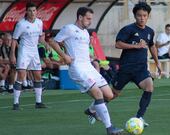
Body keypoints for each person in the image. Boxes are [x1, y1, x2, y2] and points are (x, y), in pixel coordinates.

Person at [48, 7, 123, 135]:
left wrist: (90, 56)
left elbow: (81, 48)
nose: (90, 21)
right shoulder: (69, 28)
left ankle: (91, 110)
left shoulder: (86, 33)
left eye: (91, 19)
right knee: (98, 95)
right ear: (80, 17)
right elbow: (54, 42)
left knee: (110, 95)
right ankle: (109, 128)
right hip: (77, 68)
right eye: (88, 18)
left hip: (88, 67)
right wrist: (64, 55)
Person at [10, 2, 47, 110]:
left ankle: (38, 102)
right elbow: (14, 39)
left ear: (36, 11)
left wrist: (46, 44)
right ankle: (16, 103)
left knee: (38, 76)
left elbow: (40, 38)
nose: (32, 13)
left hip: (34, 52)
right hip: (24, 51)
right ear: (26, 12)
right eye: (30, 11)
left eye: (34, 10)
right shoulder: (21, 24)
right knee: (21, 75)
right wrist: (12, 54)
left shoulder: (39, 23)